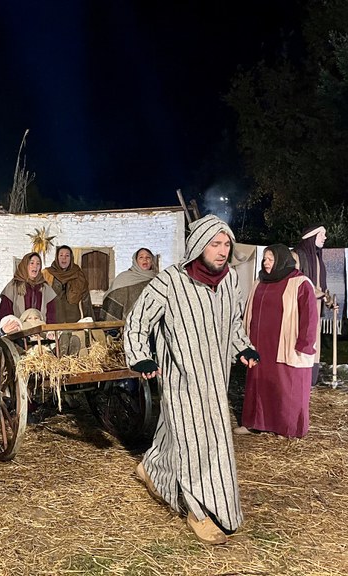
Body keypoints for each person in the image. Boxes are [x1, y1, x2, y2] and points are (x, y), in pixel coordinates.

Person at [123, 215, 260, 545]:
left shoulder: (229, 281)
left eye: (226, 244)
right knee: (196, 442)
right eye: (215, 244)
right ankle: (198, 512)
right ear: (199, 246)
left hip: (216, 377)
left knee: (184, 434)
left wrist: (242, 346)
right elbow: (138, 320)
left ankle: (151, 468)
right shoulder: (169, 282)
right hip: (181, 379)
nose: (223, 251)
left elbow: (234, 322)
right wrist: (140, 355)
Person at [235, 244, 318, 438]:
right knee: (258, 384)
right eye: (265, 259)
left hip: (285, 344)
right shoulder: (260, 282)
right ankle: (254, 423)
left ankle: (286, 428)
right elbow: (249, 311)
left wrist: (305, 343)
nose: (266, 262)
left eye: (270, 259)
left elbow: (310, 316)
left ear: (282, 259)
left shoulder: (300, 282)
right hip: (260, 344)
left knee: (285, 386)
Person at [293, 225, 330, 386]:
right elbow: (295, 280)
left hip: (316, 306)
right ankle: (298, 376)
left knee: (314, 341)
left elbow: (322, 286)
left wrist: (328, 300)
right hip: (300, 308)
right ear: (312, 236)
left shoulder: (318, 259)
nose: (325, 237)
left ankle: (311, 379)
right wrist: (315, 292)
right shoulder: (296, 255)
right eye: (322, 234)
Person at [0, 252, 56, 334]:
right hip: (19, 332)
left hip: (41, 332)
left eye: (38, 264)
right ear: (25, 265)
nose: (35, 266)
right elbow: (5, 312)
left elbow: (51, 313)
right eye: (32, 263)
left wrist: (50, 331)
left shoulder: (45, 288)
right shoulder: (13, 286)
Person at [101, 247, 159, 321]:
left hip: (152, 322)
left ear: (152, 261)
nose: (145, 260)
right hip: (125, 324)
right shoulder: (123, 278)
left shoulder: (157, 280)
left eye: (148, 257)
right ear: (136, 261)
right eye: (141, 257)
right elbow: (112, 301)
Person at [42, 245, 94, 323]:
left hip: (74, 322)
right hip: (52, 322)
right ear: (57, 257)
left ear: (71, 258)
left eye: (67, 255)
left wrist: (90, 322)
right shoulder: (47, 274)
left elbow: (86, 301)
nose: (64, 258)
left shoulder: (78, 275)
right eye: (61, 255)